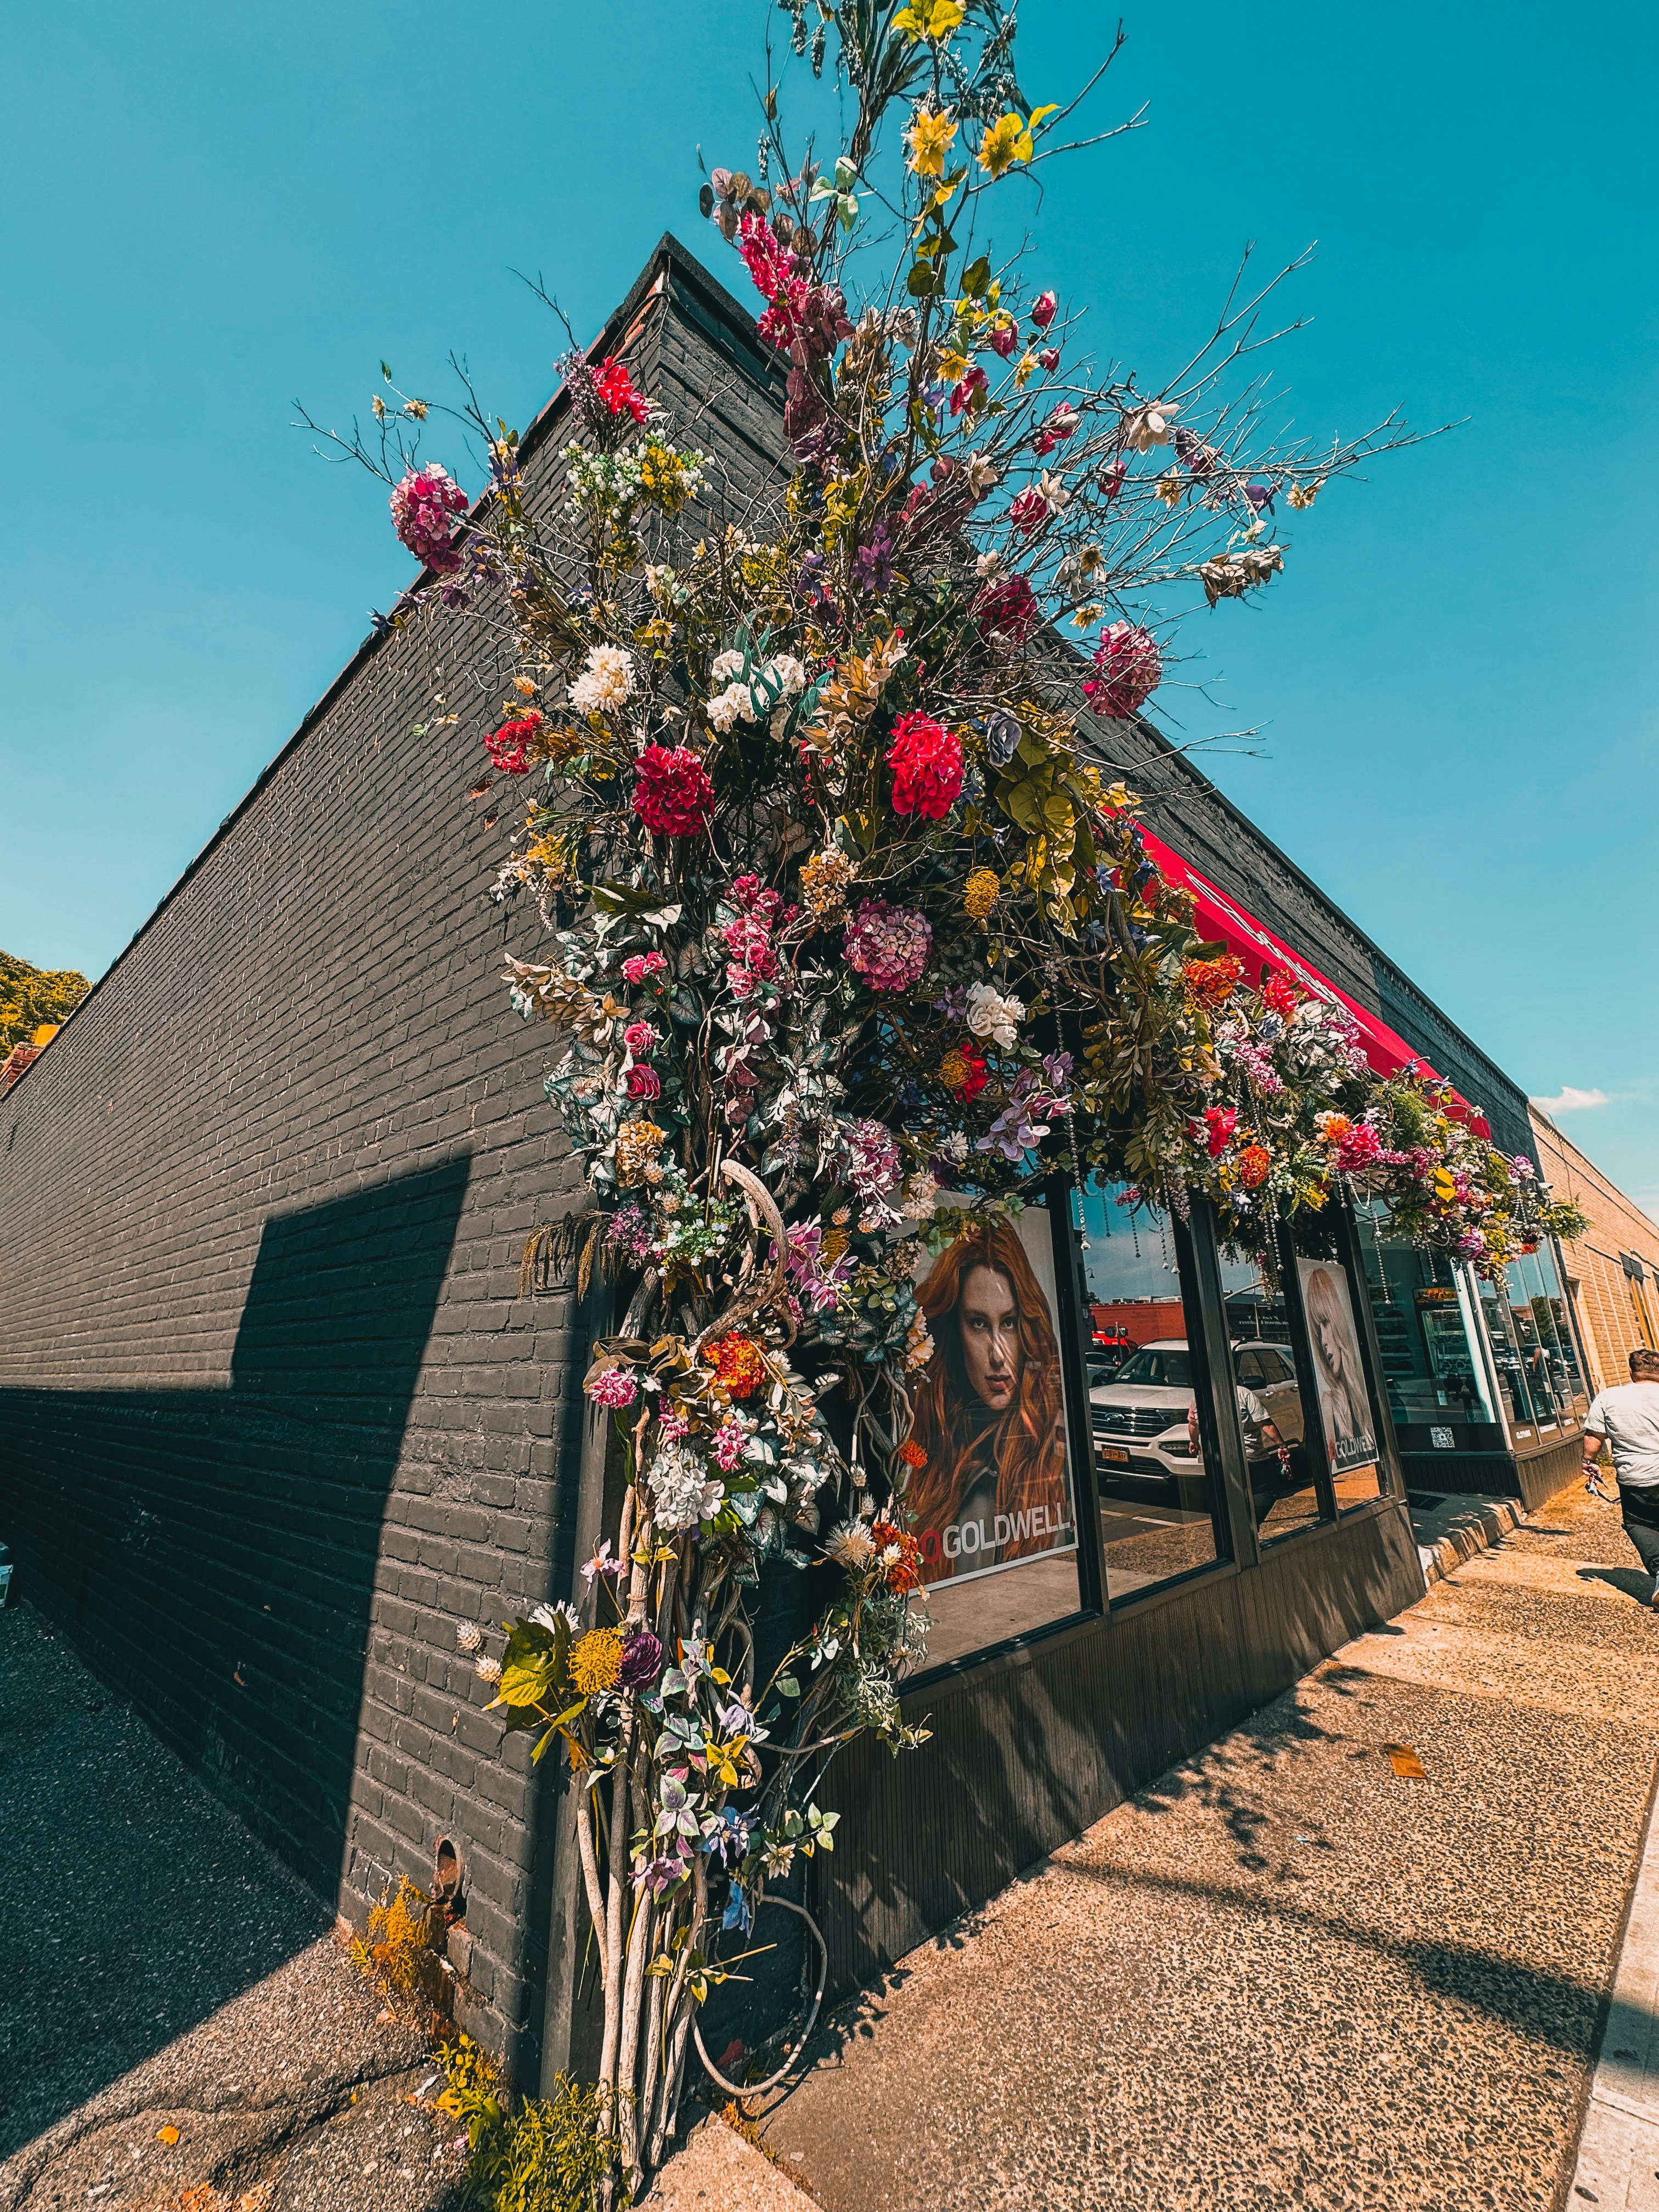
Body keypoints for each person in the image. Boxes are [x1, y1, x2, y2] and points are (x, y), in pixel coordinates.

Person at [906, 1220, 1068, 1576]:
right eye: (979, 1323)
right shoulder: (934, 1448)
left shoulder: (1053, 1459)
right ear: (955, 1329)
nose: (998, 1356)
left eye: (1008, 1323)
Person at [1583, 1348, 1659, 1606]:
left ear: (1631, 1372)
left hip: (1637, 1478)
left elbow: (1594, 1437)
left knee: (1640, 1524)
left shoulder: (1609, 1397)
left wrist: (1588, 1463)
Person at [1302, 1265, 1374, 1471]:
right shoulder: (1329, 1403)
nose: (1323, 1341)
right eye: (1317, 1330)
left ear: (1338, 1322)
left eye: (1326, 1323)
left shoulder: (1366, 1392)